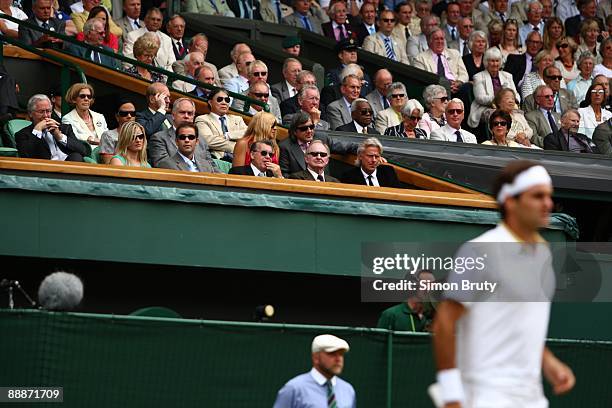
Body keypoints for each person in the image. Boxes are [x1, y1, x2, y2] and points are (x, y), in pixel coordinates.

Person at [432, 160, 576, 408]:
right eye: (538, 196)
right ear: (510, 201)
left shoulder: (542, 253)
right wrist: (451, 396)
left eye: (549, 196)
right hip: (484, 396)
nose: (548, 204)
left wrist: (548, 361)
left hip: (531, 397)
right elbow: (444, 324)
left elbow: (521, 322)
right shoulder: (479, 251)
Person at [273, 334, 355, 408]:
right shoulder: (294, 389)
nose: (338, 359)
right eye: (332, 353)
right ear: (316, 358)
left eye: (341, 354)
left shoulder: (348, 390)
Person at [149, 98, 220, 172]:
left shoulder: (201, 139)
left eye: (190, 113)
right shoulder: (159, 138)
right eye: (182, 112)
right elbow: (162, 165)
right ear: (173, 115)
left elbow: (211, 165)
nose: (186, 116)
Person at [279, 111, 358, 177]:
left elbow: (346, 146)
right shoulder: (285, 147)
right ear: (295, 131)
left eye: (311, 127)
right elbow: (285, 175)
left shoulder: (322, 138)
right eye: (304, 128)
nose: (309, 131)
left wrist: (365, 149)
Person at [16, 94, 88, 161]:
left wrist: (60, 136)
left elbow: (83, 150)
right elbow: (26, 155)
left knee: (76, 156)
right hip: (45, 169)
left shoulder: (64, 128)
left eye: (48, 111)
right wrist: (37, 131)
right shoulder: (22, 134)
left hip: (68, 167)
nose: (45, 115)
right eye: (41, 112)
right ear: (30, 114)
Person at [468, 47, 518, 129]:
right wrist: (500, 101)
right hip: (485, 108)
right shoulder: (479, 77)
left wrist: (513, 101)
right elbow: (480, 98)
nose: (495, 64)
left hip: (507, 107)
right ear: (486, 62)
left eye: (497, 61)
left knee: (518, 115)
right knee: (497, 115)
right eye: (492, 61)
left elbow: (515, 94)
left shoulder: (507, 76)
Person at [413, 28, 469, 96]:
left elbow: (464, 74)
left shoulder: (454, 54)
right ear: (429, 41)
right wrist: (446, 86)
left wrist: (458, 82)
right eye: (436, 39)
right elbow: (423, 80)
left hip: (456, 87)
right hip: (436, 90)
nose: (440, 41)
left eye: (442, 39)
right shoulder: (420, 58)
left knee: (468, 88)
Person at [194, 89, 248, 160]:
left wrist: (228, 135)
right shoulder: (202, 119)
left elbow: (248, 134)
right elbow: (207, 141)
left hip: (239, 159)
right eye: (219, 99)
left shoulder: (238, 119)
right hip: (217, 159)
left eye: (227, 100)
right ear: (210, 102)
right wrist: (237, 146)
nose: (224, 102)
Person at [61, 83, 107, 148]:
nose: (86, 99)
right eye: (82, 96)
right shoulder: (67, 119)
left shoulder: (99, 117)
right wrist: (91, 139)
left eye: (89, 96)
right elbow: (74, 137)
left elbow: (107, 136)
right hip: (85, 154)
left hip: (105, 151)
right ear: (74, 99)